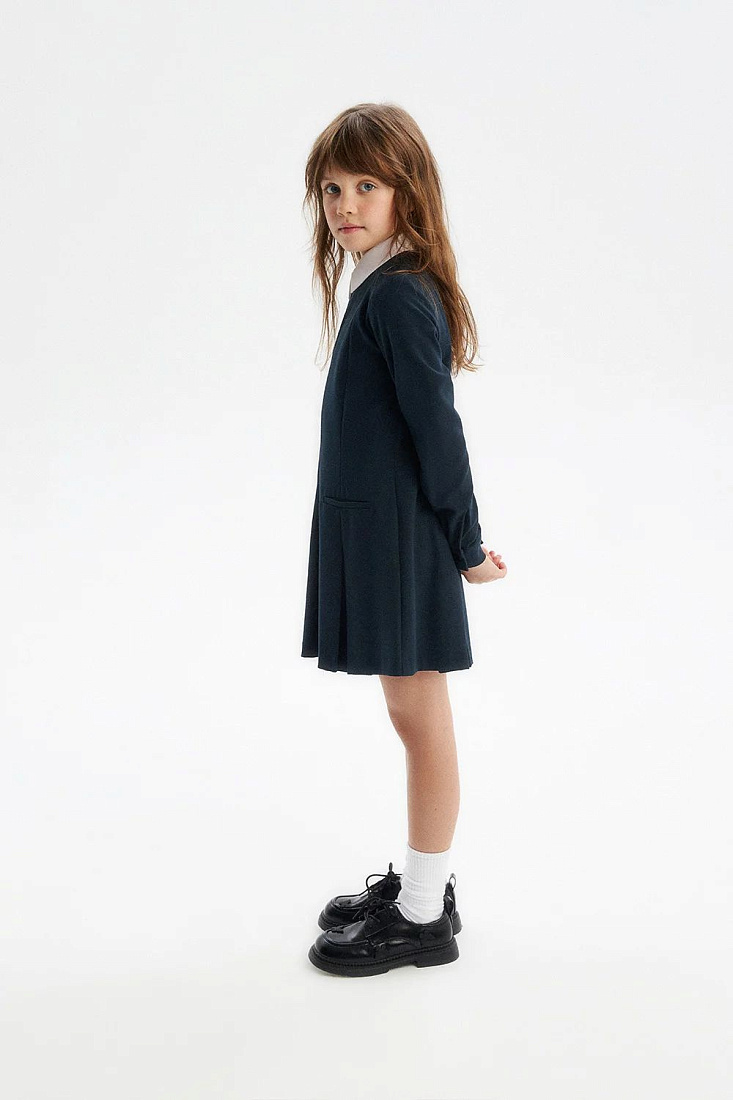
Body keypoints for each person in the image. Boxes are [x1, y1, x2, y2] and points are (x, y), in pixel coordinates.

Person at [300, 102, 507, 977]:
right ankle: (420, 889)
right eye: (331, 189)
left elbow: (437, 431)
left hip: (400, 540)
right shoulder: (377, 285)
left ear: (405, 192)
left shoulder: (398, 293)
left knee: (420, 721)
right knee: (407, 715)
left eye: (366, 185)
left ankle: (423, 914)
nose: (345, 204)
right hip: (376, 533)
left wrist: (465, 544)